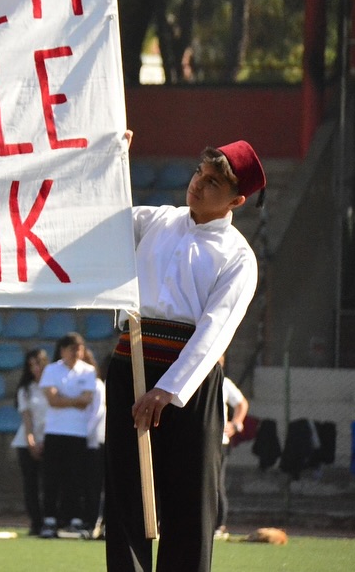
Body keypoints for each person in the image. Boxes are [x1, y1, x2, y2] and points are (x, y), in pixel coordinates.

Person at [104, 139, 266, 572]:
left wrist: (168, 389)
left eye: (214, 182)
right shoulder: (156, 219)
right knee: (125, 496)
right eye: (200, 172)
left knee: (191, 499)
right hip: (129, 361)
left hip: (187, 384)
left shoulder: (238, 256)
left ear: (236, 199)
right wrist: (113, 160)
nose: (199, 184)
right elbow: (102, 217)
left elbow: (216, 331)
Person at [38, 332, 97, 538]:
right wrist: (75, 401)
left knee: (76, 477)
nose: (76, 353)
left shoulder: (88, 371)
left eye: (79, 348)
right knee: (52, 477)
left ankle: (74, 518)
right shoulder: (52, 370)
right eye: (72, 348)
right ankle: (50, 519)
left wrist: (66, 399)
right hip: (55, 430)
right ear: (62, 350)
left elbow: (87, 399)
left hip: (77, 432)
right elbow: (52, 400)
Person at [11, 347, 49, 536]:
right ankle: (36, 522)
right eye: (32, 365)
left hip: (50, 439)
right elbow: (27, 419)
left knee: (50, 484)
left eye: (39, 364)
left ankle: (51, 520)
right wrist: (31, 441)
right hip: (28, 441)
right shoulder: (26, 390)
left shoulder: (53, 386)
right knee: (31, 484)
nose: (36, 368)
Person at [216, 358, 249, 539]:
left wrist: (236, 424)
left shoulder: (224, 383)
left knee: (216, 484)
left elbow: (241, 403)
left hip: (219, 442)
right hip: (194, 439)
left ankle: (218, 526)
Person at [83, 348, 106, 539]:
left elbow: (96, 413)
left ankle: (98, 522)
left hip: (97, 440)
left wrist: (85, 434)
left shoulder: (98, 386)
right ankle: (91, 521)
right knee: (91, 485)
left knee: (99, 485)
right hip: (91, 440)